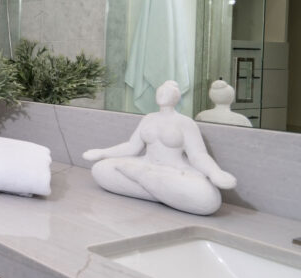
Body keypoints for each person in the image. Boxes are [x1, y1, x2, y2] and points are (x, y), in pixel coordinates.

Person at [83, 80, 236, 215]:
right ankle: (160, 189)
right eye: (160, 90)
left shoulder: (185, 123)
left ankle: (142, 177)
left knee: (207, 198)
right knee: (100, 169)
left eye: (167, 91)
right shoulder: (149, 118)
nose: (162, 93)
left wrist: (214, 172)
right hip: (148, 164)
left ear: (176, 97)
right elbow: (131, 147)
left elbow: (198, 155)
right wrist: (102, 153)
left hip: (174, 170)